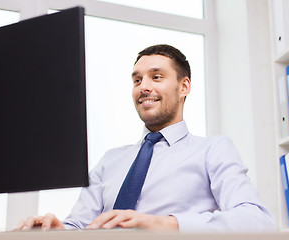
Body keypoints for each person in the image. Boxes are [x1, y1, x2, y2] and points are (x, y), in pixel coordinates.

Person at [15, 44, 275, 232]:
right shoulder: (111, 160)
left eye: (156, 77)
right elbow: (80, 225)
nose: (144, 87)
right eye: (137, 80)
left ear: (184, 87)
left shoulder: (212, 150)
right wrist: (57, 229)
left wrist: (162, 222)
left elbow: (257, 220)